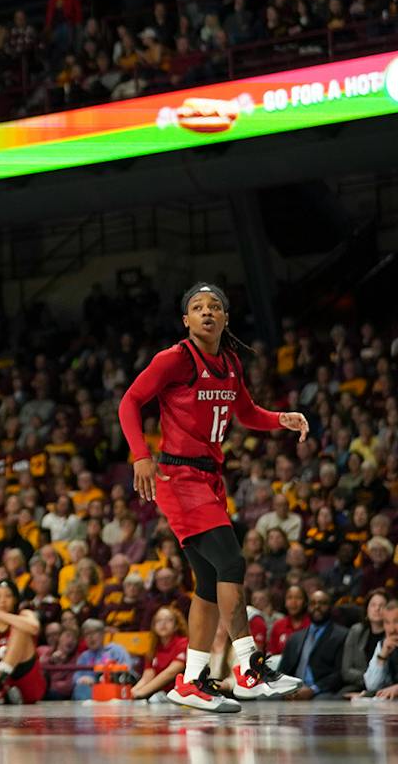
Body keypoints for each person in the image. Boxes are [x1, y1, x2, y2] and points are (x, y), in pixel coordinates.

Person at [121, 281, 308, 712]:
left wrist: (281, 418)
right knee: (232, 562)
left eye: (215, 306)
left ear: (225, 318)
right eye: (198, 307)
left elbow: (245, 412)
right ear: (186, 320)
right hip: (178, 476)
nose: (207, 312)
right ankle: (248, 668)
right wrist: (140, 456)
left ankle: (191, 681)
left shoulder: (229, 362)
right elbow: (130, 401)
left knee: (207, 583)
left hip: (210, 479)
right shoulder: (175, 358)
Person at [277, 590, 348, 699]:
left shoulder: (342, 635)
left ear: (330, 607)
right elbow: (282, 670)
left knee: (322, 701)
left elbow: (340, 674)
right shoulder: (295, 637)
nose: (317, 607)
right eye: (313, 603)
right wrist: (286, 689)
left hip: (321, 690)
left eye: (322, 603)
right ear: (307, 606)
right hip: (294, 689)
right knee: (266, 698)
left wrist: (313, 689)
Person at [130, 607, 188, 702]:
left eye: (168, 620)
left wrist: (142, 692)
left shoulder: (183, 643)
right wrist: (132, 692)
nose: (163, 623)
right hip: (160, 694)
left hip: (179, 694)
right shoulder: (153, 648)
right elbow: (147, 678)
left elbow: (171, 673)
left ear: (176, 625)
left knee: (153, 700)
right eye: (159, 620)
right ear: (154, 626)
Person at [342, 590, 388, 695]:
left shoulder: (392, 635)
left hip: (384, 688)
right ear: (366, 609)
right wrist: (370, 678)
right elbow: (346, 671)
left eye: (382, 605)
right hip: (357, 686)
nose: (377, 609)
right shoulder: (356, 631)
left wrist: (373, 682)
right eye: (373, 605)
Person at [362, 597, 398, 698]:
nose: (392, 629)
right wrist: (382, 655)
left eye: (396, 622)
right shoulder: (383, 645)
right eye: (387, 622)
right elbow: (372, 685)